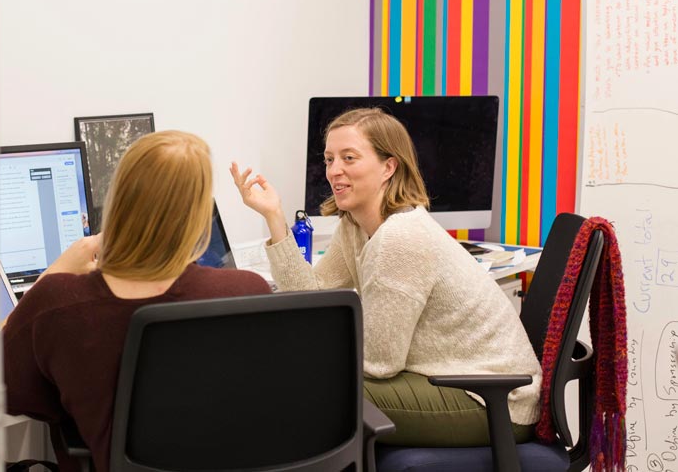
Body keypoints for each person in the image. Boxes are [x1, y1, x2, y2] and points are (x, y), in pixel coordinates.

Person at [231, 107, 541, 447]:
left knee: (308, 386)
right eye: (329, 159)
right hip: (448, 381)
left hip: (493, 402)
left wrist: (304, 351)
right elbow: (311, 294)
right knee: (301, 376)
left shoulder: (400, 238)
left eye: (349, 158)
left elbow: (379, 362)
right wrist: (274, 216)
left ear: (388, 167)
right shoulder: (355, 225)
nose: (335, 171)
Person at [4, 131, 271, 472]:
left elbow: (3, 391)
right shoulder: (248, 291)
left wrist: (52, 275)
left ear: (117, 202)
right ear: (199, 215)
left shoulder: (57, 304)